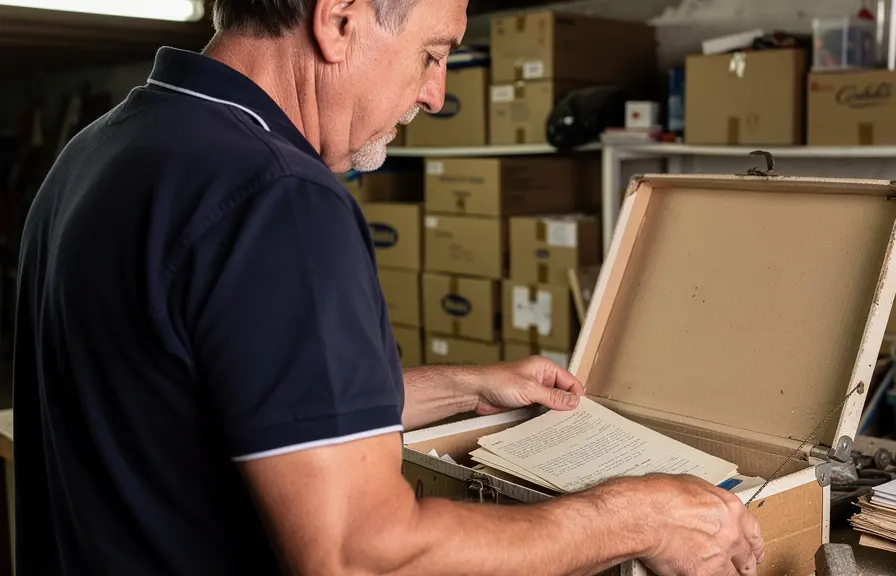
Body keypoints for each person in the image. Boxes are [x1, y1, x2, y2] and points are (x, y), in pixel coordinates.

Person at [13, 0, 765, 574]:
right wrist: (636, 517)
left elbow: (209, 399)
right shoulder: (279, 196)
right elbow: (360, 555)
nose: (435, 94)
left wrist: (460, 386)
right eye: (432, 53)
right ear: (338, 19)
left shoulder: (105, 150)